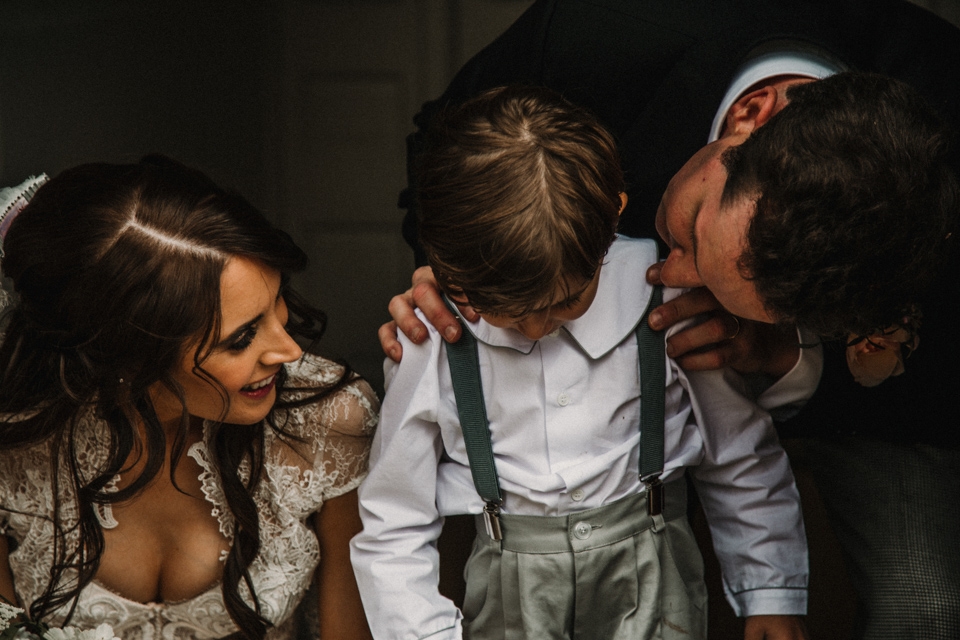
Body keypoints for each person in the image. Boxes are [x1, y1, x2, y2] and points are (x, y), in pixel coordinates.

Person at [379, 1, 960, 639]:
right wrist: (472, 269)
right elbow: (437, 146)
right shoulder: (593, 34)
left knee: (927, 606)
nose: (666, 276)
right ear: (750, 116)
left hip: (869, 409)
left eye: (720, 286)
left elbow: (925, 390)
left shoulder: (936, 176)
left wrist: (794, 361)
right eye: (691, 232)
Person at [353, 85, 812, 640]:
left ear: (613, 214)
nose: (534, 328)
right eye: (501, 310)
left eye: (565, 301)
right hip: (511, 598)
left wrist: (771, 593)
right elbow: (393, 520)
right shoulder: (429, 339)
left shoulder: (666, 305)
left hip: (653, 587)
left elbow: (739, 458)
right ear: (442, 263)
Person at [0, 156, 377, 640]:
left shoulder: (327, 422)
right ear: (126, 358)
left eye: (276, 300)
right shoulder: (15, 435)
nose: (288, 350)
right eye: (241, 339)